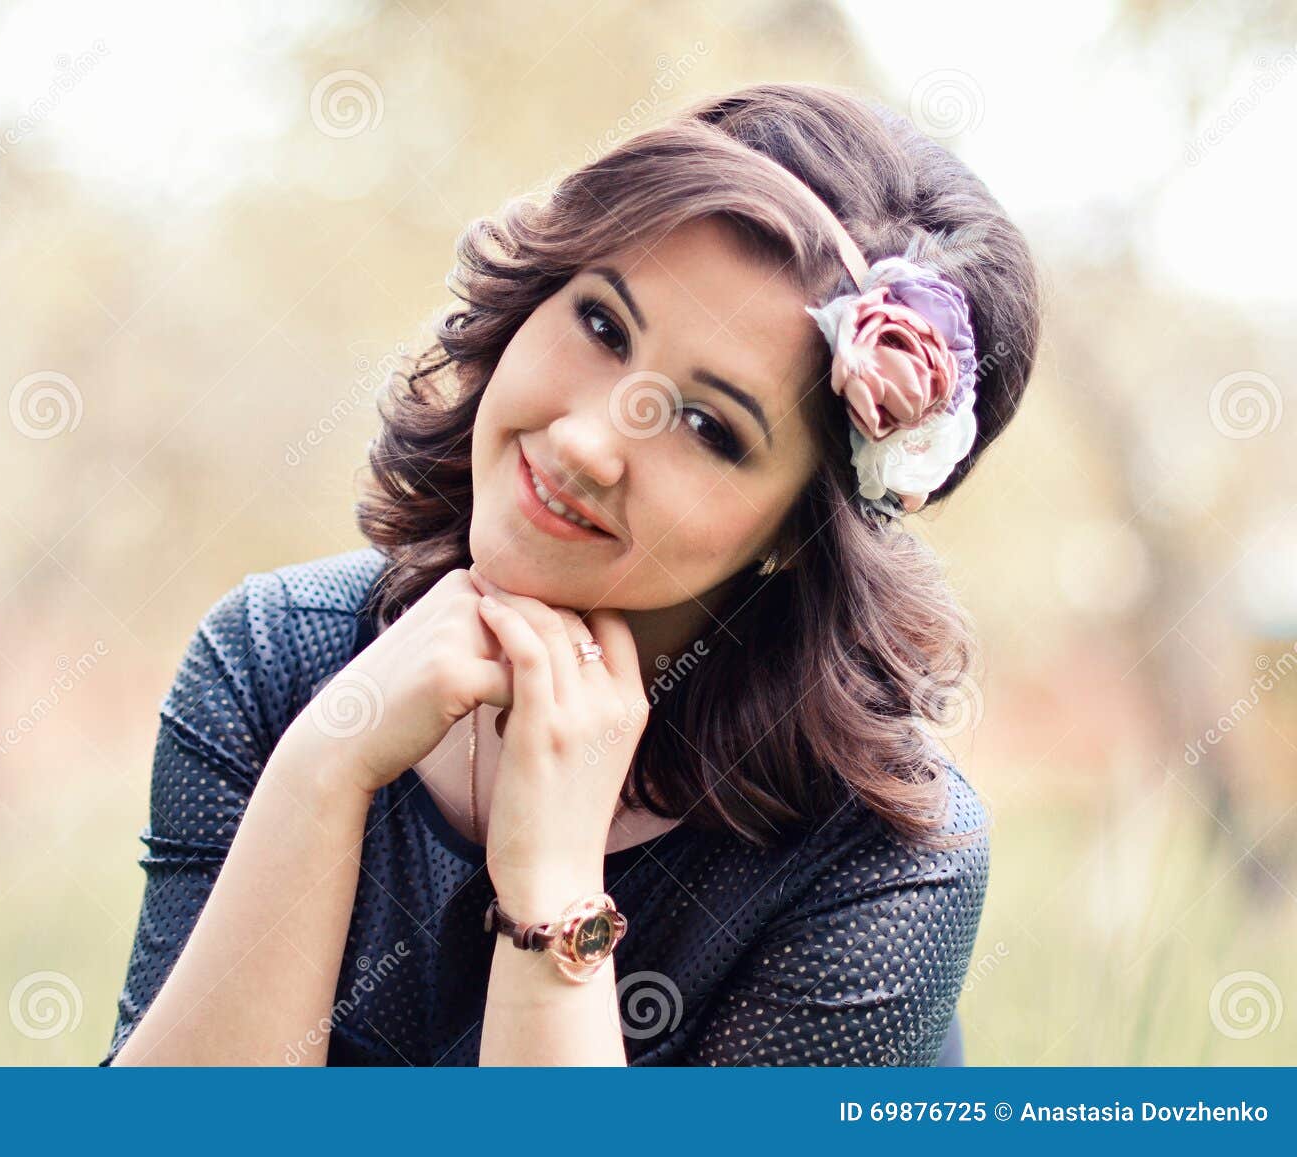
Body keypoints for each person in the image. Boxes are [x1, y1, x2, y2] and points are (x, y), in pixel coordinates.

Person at [101, 82, 1041, 1066]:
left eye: (710, 426)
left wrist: (551, 891)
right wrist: (321, 771)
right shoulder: (274, 655)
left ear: (796, 532)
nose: (591, 440)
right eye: (601, 326)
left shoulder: (876, 862)